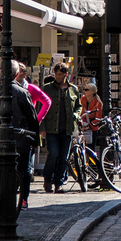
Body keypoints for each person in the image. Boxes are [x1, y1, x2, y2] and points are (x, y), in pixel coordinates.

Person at [0, 61, 41, 208]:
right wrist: (35, 140)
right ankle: (23, 200)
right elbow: (32, 118)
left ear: (1, 73)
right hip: (19, 140)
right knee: (23, 170)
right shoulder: (22, 93)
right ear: (16, 74)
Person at [40, 62, 80, 193]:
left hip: (67, 127)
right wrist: (42, 127)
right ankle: (47, 179)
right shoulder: (47, 88)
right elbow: (41, 107)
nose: (57, 77)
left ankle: (59, 183)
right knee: (54, 154)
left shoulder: (73, 89)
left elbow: (78, 106)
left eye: (60, 74)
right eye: (56, 74)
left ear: (66, 74)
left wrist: (76, 114)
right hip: (51, 128)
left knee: (64, 157)